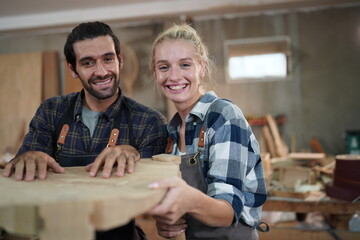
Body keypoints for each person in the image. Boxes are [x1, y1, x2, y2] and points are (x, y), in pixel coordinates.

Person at [2, 21, 168, 240]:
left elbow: (154, 196)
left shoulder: (149, 121)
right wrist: (28, 157)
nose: (101, 72)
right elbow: (25, 171)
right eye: (88, 63)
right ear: (72, 69)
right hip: (57, 231)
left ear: (120, 60)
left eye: (108, 59)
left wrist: (136, 157)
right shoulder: (51, 111)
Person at [147, 24, 267, 239]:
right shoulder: (171, 132)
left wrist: (187, 199)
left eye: (185, 64)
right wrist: (166, 222)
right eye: (163, 67)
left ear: (201, 68)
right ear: (155, 73)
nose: (174, 76)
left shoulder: (223, 116)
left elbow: (226, 213)